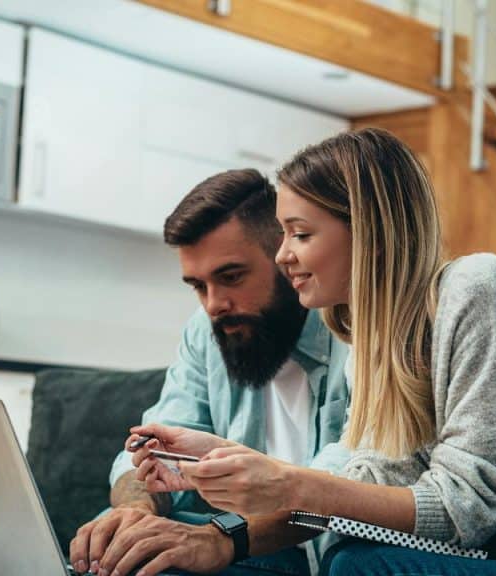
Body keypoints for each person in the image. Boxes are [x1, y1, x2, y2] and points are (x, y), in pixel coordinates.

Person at [129, 128, 496, 575]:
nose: (284, 256)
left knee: (363, 566)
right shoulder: (371, 338)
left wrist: (289, 484)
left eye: (301, 234)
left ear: (369, 230)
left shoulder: (477, 289)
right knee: (348, 549)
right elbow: (345, 509)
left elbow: (469, 510)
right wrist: (228, 525)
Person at [68, 168, 351, 576]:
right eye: (198, 286)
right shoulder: (207, 332)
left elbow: (340, 500)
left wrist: (222, 538)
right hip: (245, 546)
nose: (214, 304)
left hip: (324, 546)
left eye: (231, 277)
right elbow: (152, 452)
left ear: (286, 256)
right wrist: (135, 510)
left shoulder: (353, 332)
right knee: (113, 547)